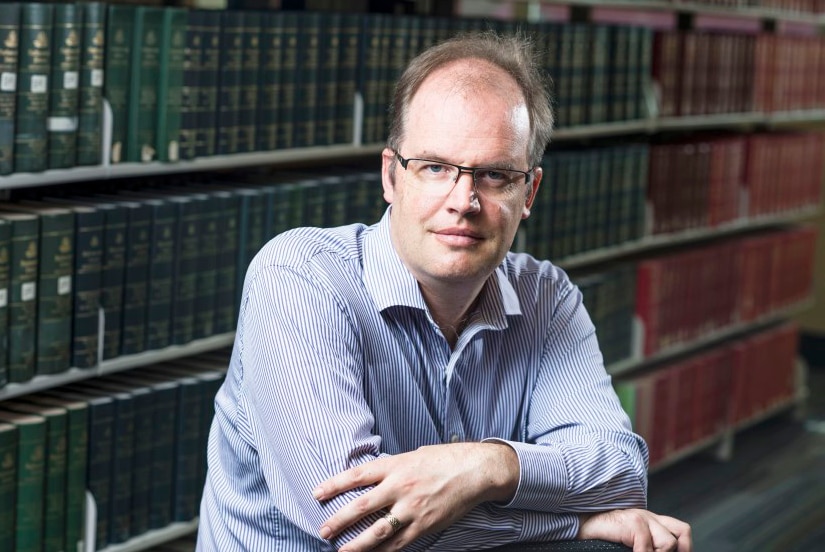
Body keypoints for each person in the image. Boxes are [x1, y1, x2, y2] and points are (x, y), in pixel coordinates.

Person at [197, 30, 692, 552]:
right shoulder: (300, 278)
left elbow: (620, 472)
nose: (464, 201)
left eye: (496, 175)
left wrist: (488, 466)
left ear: (530, 193)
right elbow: (358, 523)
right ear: (391, 176)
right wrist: (577, 522)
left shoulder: (547, 296)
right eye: (435, 167)